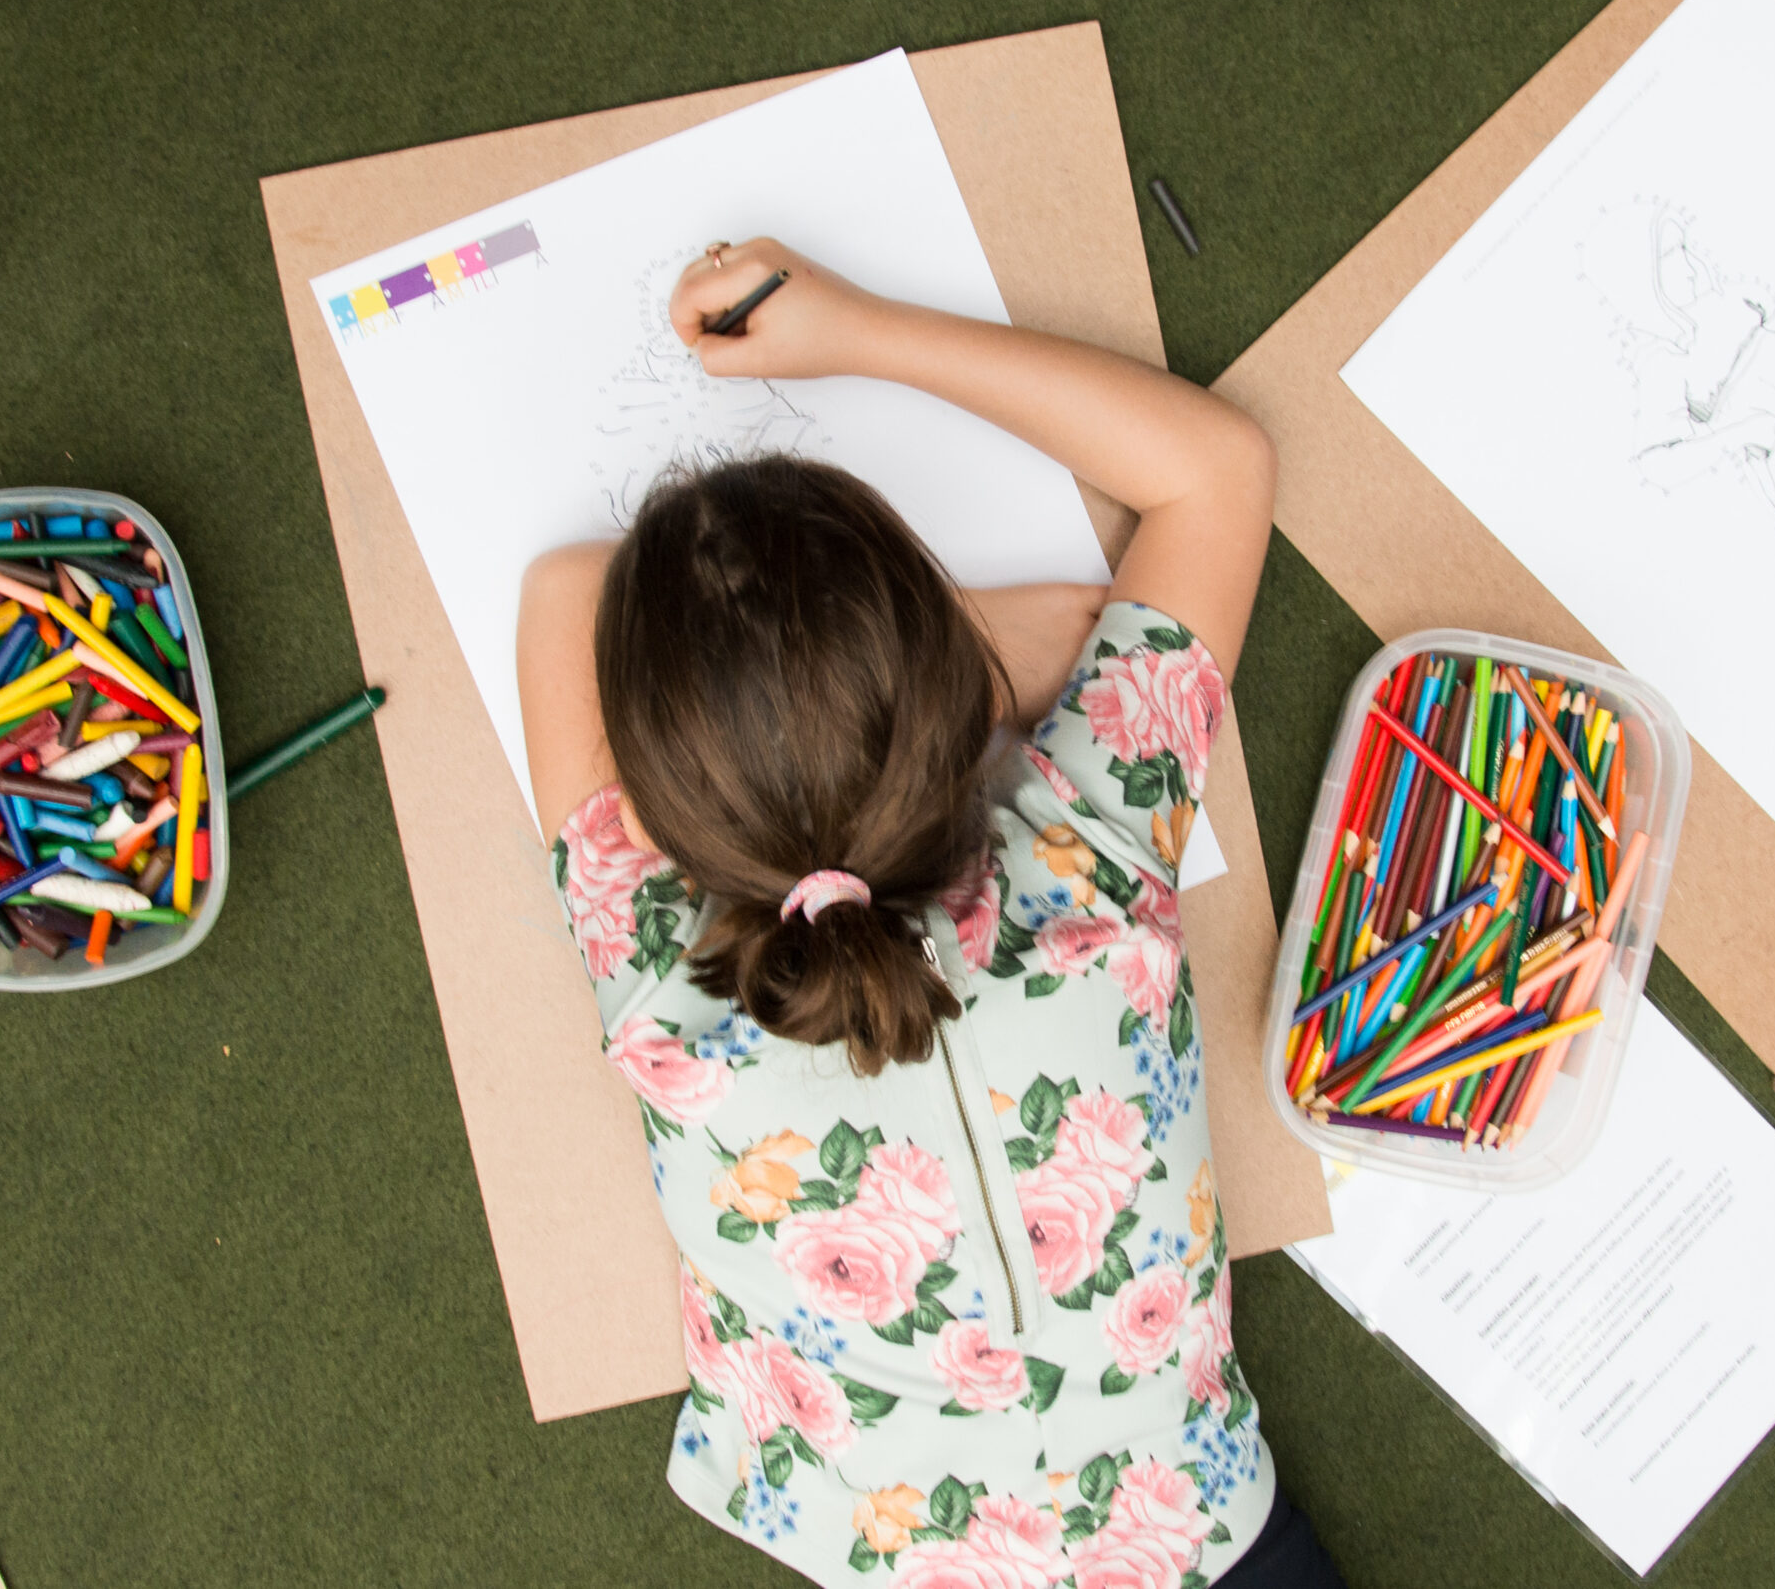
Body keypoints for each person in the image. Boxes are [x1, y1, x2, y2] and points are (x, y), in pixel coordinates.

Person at [517, 238, 1344, 1588]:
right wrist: (860, 330)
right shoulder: (1092, 869)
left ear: (654, 831)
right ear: (955, 700)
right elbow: (1216, 472)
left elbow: (566, 594)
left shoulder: (660, 987)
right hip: (1205, 1549)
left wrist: (947, 646)